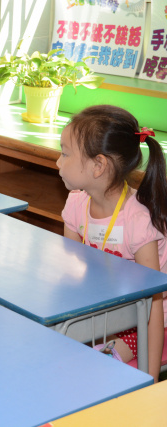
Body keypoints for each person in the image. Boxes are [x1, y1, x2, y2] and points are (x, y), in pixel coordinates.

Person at [58, 105, 167, 383]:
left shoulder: (137, 221)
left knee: (94, 364)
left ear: (98, 165)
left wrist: (151, 381)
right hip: (108, 306)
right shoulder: (76, 204)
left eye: (65, 154)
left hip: (150, 318)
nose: (58, 162)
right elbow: (70, 276)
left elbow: (153, 304)